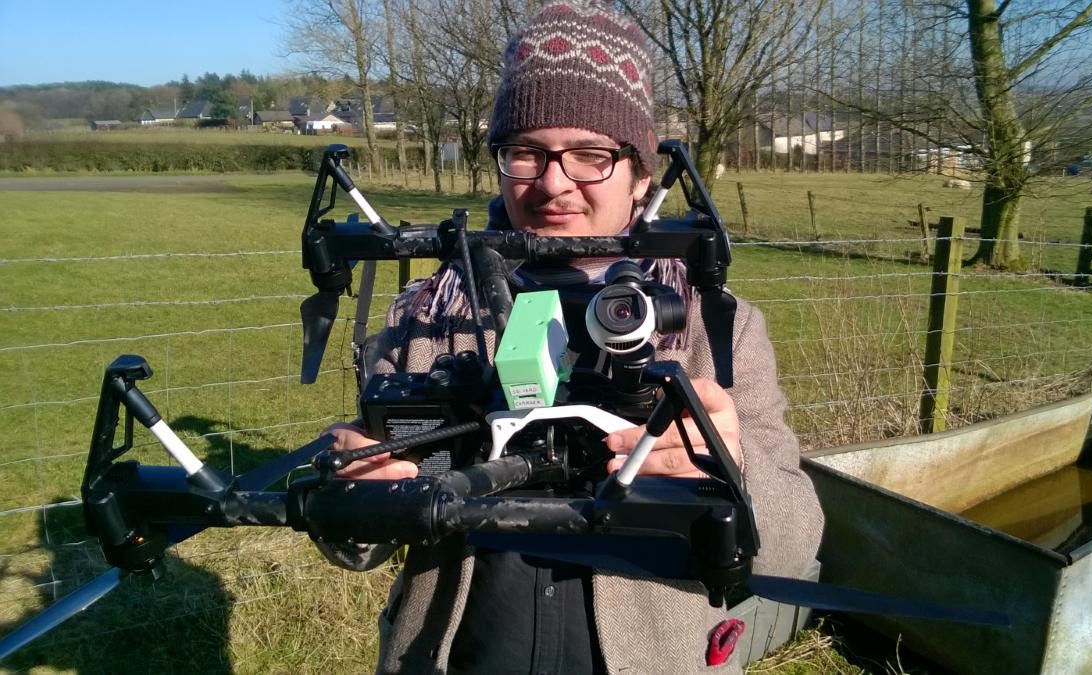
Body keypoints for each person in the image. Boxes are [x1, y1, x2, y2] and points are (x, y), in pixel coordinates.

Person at [318, 2, 824, 673]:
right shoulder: (428, 314)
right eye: (526, 152)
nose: (553, 182)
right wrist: (354, 499)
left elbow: (796, 546)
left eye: (590, 155)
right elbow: (361, 537)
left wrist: (739, 475)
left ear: (642, 172)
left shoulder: (713, 324)